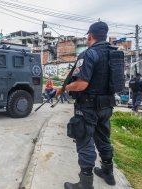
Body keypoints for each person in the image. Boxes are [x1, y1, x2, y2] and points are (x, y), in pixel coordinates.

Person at [55, 21, 118, 189]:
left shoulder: (88, 54)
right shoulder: (114, 53)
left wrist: (62, 89)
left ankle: (85, 183)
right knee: (104, 138)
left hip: (89, 107)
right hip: (107, 106)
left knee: (85, 141)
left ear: (90, 36)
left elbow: (81, 85)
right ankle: (108, 173)